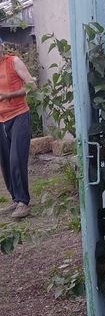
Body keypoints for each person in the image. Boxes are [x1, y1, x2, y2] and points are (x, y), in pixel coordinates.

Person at [0, 37, 36, 219]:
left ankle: (23, 202)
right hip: (1, 119)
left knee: (16, 159)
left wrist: (9, 95)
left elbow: (32, 86)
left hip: (19, 115)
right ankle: (15, 199)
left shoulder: (13, 62)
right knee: (5, 162)